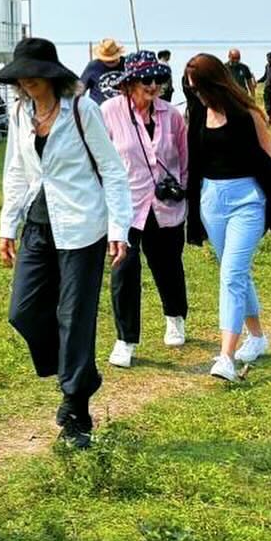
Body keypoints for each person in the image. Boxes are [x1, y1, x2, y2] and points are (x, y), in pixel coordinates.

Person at [0, 37, 132, 447]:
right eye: (22, 76)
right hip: (38, 224)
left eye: (34, 75)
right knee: (23, 311)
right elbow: (17, 170)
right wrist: (7, 225)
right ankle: (81, 374)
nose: (27, 82)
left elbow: (113, 170)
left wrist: (119, 229)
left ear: (51, 75)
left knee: (75, 316)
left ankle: (77, 408)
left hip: (82, 227)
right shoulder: (19, 113)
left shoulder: (81, 111)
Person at [183, 54, 271, 381]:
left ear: (215, 83)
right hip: (211, 200)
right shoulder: (197, 112)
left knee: (231, 274)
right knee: (234, 273)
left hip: (247, 201)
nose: (195, 95)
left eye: (199, 88)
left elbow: (267, 159)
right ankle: (257, 337)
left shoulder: (248, 113)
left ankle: (226, 357)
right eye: (191, 90)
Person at [100, 51, 189, 367]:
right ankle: (125, 340)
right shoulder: (109, 112)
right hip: (126, 207)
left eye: (157, 79)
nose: (152, 85)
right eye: (145, 79)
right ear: (129, 84)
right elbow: (99, 160)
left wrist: (182, 191)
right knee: (124, 271)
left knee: (168, 266)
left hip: (166, 206)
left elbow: (183, 158)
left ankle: (175, 315)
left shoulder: (172, 115)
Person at [79, 38, 126, 105]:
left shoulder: (127, 64)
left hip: (123, 112)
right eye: (107, 60)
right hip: (99, 112)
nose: (110, 62)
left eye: (113, 59)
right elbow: (79, 92)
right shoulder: (93, 66)